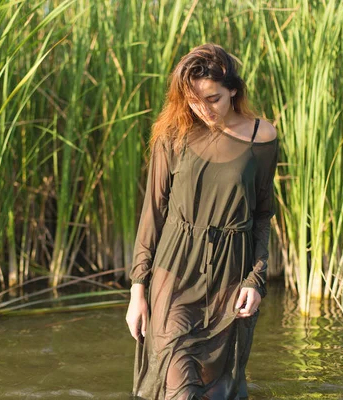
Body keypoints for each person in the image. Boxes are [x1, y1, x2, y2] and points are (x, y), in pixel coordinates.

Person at [125, 43, 279, 400]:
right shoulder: (173, 134)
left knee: (216, 392)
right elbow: (153, 212)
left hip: (230, 276)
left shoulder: (262, 137)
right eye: (194, 100)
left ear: (234, 91)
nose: (203, 109)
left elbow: (261, 216)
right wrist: (138, 291)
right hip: (174, 272)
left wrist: (255, 280)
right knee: (179, 385)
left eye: (213, 99)